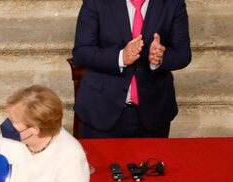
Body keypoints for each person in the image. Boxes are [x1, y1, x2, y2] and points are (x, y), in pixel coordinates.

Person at [72, 0, 191, 138]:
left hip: (154, 111)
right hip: (102, 109)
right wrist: (121, 57)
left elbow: (183, 54)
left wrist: (160, 57)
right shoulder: (96, 2)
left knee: (150, 159)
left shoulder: (173, 3)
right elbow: (82, 53)